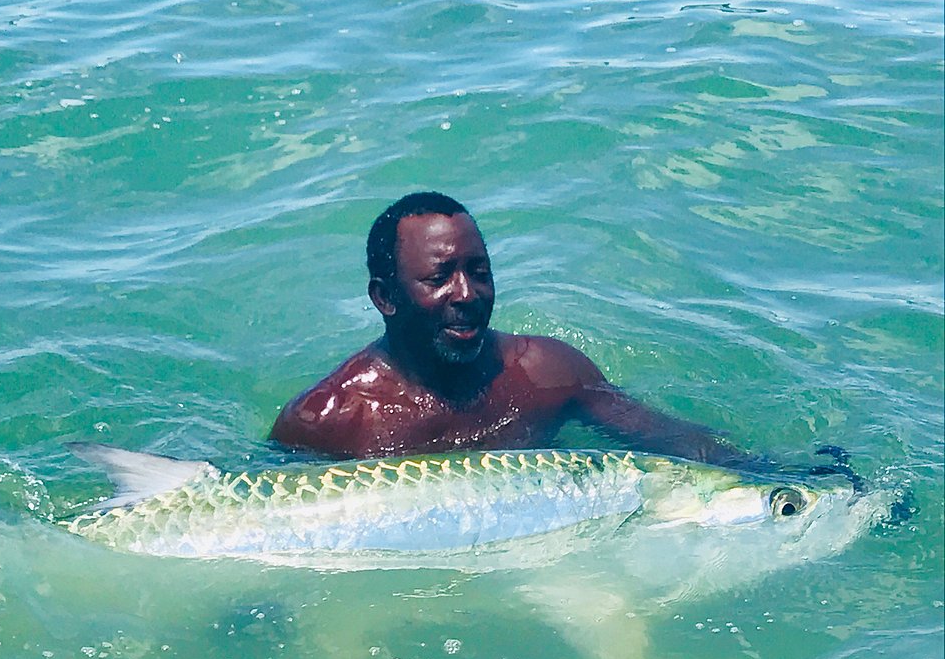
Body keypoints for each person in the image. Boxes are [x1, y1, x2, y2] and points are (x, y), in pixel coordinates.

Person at [269, 191, 748, 465]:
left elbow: (668, 439)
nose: (466, 293)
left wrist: (773, 471)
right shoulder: (329, 421)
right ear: (385, 298)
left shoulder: (546, 372)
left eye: (479, 271)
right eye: (439, 278)